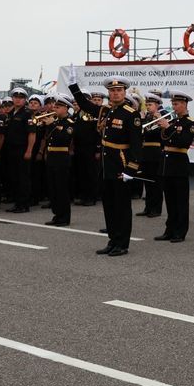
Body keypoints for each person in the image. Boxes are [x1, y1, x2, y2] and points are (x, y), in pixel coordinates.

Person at [69, 72, 143, 256]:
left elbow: (136, 144)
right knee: (109, 206)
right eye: (112, 91)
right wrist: (74, 87)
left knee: (122, 207)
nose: (116, 93)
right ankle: (112, 240)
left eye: (119, 90)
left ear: (125, 92)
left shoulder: (130, 114)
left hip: (121, 165)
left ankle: (122, 244)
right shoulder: (105, 111)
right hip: (107, 165)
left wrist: (131, 169)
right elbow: (86, 105)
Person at [155, 90, 194, 242]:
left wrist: (169, 127)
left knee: (180, 200)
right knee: (170, 200)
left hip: (179, 164)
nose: (174, 106)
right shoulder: (173, 122)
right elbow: (164, 141)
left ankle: (180, 231)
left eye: (177, 104)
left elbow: (184, 142)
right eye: (173, 103)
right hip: (167, 164)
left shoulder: (191, 124)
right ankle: (170, 229)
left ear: (185, 104)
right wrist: (164, 127)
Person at [42, 95, 76, 226]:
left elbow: (63, 139)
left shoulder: (69, 123)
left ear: (66, 109)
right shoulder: (55, 122)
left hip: (62, 158)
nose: (54, 109)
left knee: (62, 189)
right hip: (51, 157)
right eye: (55, 106)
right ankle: (57, 214)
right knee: (53, 188)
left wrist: (52, 125)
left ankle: (64, 217)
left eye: (58, 107)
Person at [3, 87, 35, 213]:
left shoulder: (27, 114)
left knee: (23, 178)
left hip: (22, 149)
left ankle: (23, 204)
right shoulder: (10, 114)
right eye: (15, 97)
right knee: (14, 177)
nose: (17, 100)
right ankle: (17, 203)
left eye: (21, 98)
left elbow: (32, 134)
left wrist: (29, 150)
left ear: (25, 100)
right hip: (11, 150)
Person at [139, 93, 166, 218]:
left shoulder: (161, 119)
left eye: (150, 105)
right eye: (147, 105)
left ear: (157, 105)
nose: (148, 107)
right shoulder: (147, 118)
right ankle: (148, 207)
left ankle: (156, 209)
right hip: (145, 152)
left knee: (156, 182)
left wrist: (158, 121)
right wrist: (143, 120)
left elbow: (156, 135)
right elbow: (140, 134)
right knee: (147, 181)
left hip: (155, 152)